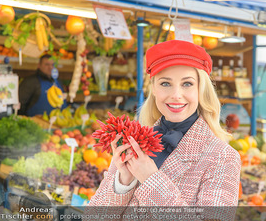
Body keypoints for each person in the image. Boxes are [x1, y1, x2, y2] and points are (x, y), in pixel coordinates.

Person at [86, 40, 241, 219]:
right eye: (165, 83)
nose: (176, 95)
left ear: (201, 89)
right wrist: (123, 182)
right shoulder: (133, 142)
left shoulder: (223, 157)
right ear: (153, 88)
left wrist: (151, 180)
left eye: (187, 84)